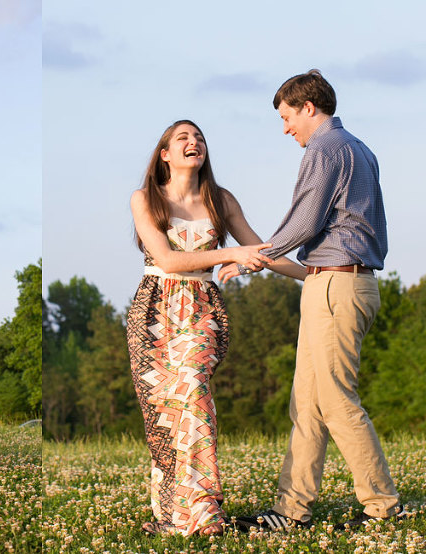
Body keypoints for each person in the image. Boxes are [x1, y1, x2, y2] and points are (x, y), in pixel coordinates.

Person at [226, 69, 405, 532]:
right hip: (332, 283)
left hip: (337, 288)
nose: (286, 128)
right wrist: (269, 260)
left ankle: (384, 508)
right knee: (306, 403)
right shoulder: (360, 148)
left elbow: (304, 221)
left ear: (309, 108)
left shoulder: (326, 149)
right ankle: (291, 511)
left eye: (287, 117)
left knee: (335, 400)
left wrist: (255, 256)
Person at [127, 120, 305, 536]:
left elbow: (263, 250)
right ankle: (173, 516)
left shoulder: (220, 200)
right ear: (165, 153)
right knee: (164, 415)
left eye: (200, 138)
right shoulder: (144, 198)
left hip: (203, 309)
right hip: (153, 310)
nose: (195, 143)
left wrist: (314, 274)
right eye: (183, 138)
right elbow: (168, 260)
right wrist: (233, 253)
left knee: (193, 390)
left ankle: (205, 513)